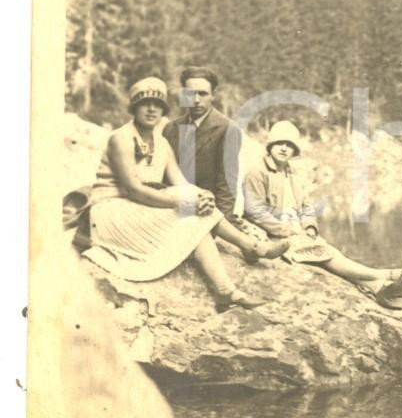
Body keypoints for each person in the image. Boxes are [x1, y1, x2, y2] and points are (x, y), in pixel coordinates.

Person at [83, 77, 289, 312]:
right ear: (133, 107)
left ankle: (227, 286)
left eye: (157, 104)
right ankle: (248, 251)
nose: (151, 109)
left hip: (138, 207)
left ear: (163, 109)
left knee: (193, 206)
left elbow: (180, 182)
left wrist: (202, 196)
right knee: (188, 213)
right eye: (144, 103)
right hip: (112, 211)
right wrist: (185, 201)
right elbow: (134, 190)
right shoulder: (121, 138)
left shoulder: (161, 143)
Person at [243, 120, 402, 294]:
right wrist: (286, 230)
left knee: (329, 252)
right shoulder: (257, 172)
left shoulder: (293, 173)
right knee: (329, 255)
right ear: (270, 145)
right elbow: (254, 211)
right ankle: (383, 275)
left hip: (295, 230)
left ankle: (375, 285)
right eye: (279, 143)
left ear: (294, 151)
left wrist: (310, 226)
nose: (283, 148)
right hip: (272, 235)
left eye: (289, 145)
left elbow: (306, 207)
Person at [162, 66, 245, 230]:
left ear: (213, 95)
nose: (196, 100)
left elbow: (226, 187)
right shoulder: (170, 128)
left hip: (206, 213)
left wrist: (218, 227)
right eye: (190, 94)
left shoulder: (227, 129)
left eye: (203, 93)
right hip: (172, 208)